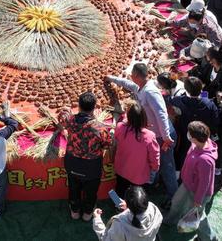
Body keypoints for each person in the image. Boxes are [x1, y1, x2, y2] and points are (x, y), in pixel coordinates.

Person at [106, 64, 178, 206]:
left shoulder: (151, 92)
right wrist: (111, 79)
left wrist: (166, 137)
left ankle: (173, 198)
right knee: (156, 164)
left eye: (132, 74)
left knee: (166, 165)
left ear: (138, 76)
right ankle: (154, 183)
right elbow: (127, 84)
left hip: (162, 135)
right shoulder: (140, 86)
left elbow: (162, 114)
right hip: (156, 133)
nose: (131, 77)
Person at [57, 92, 113, 221]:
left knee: (73, 188)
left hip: (72, 163)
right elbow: (106, 145)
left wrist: (65, 110)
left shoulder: (70, 120)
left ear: (79, 106)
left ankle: (75, 211)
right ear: (94, 108)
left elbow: (61, 119)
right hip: (91, 166)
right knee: (91, 191)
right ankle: (88, 214)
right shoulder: (99, 128)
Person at [163, 121, 218, 241]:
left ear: (194, 138)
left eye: (190, 133)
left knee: (197, 216)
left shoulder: (205, 160)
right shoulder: (195, 145)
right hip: (187, 185)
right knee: (177, 202)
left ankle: (208, 237)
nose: (188, 134)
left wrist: (198, 200)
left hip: (199, 193)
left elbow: (204, 183)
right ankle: (169, 220)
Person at [169, 77, 220, 169]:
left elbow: (170, 101)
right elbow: (215, 120)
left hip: (184, 132)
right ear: (201, 88)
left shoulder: (179, 100)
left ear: (186, 89)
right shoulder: (209, 104)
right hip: (201, 136)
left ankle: (180, 169)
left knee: (182, 152)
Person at [113, 103, 159, 198]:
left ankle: (119, 207)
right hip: (139, 174)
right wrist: (155, 168)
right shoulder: (149, 136)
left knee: (121, 190)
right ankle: (134, 210)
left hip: (121, 168)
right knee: (136, 196)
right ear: (144, 118)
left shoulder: (120, 127)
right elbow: (154, 156)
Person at [92, 186, 162, 241]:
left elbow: (106, 239)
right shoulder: (154, 209)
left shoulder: (120, 225)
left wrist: (97, 219)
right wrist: (130, 208)